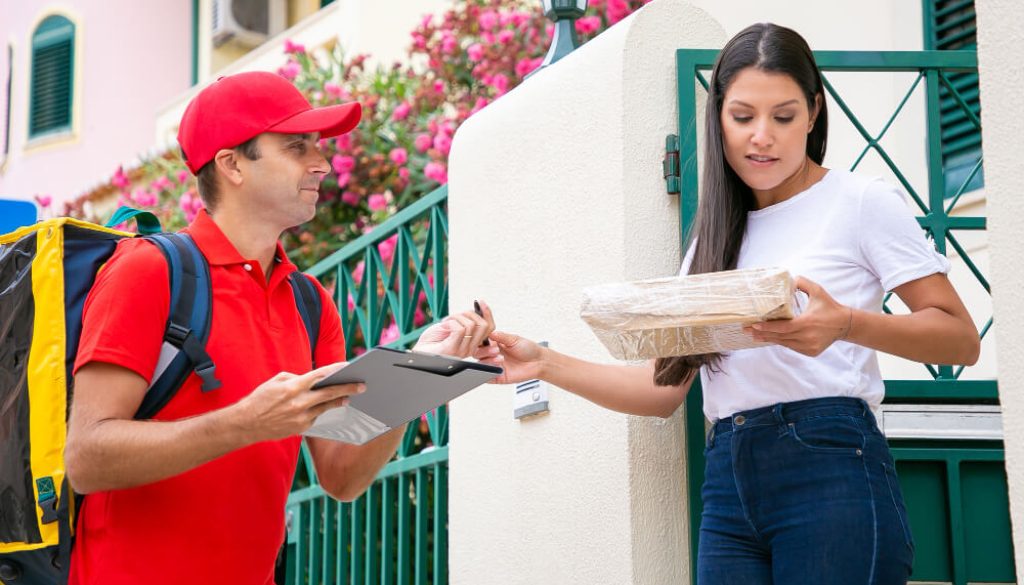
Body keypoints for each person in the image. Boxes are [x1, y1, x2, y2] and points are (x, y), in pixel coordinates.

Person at [476, 23, 979, 584]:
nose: (762, 136)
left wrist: (846, 325)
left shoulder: (861, 202)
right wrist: (543, 364)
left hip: (832, 466)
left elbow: (959, 337)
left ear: (814, 112)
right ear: (718, 116)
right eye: (743, 117)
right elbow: (661, 390)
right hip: (728, 479)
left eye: (783, 116)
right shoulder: (711, 241)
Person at [64, 71, 495, 585]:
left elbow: (341, 476)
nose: (322, 163)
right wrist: (244, 423)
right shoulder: (147, 271)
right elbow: (86, 457)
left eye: (318, 147)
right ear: (232, 165)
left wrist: (418, 376)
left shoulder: (312, 304)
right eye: (297, 147)